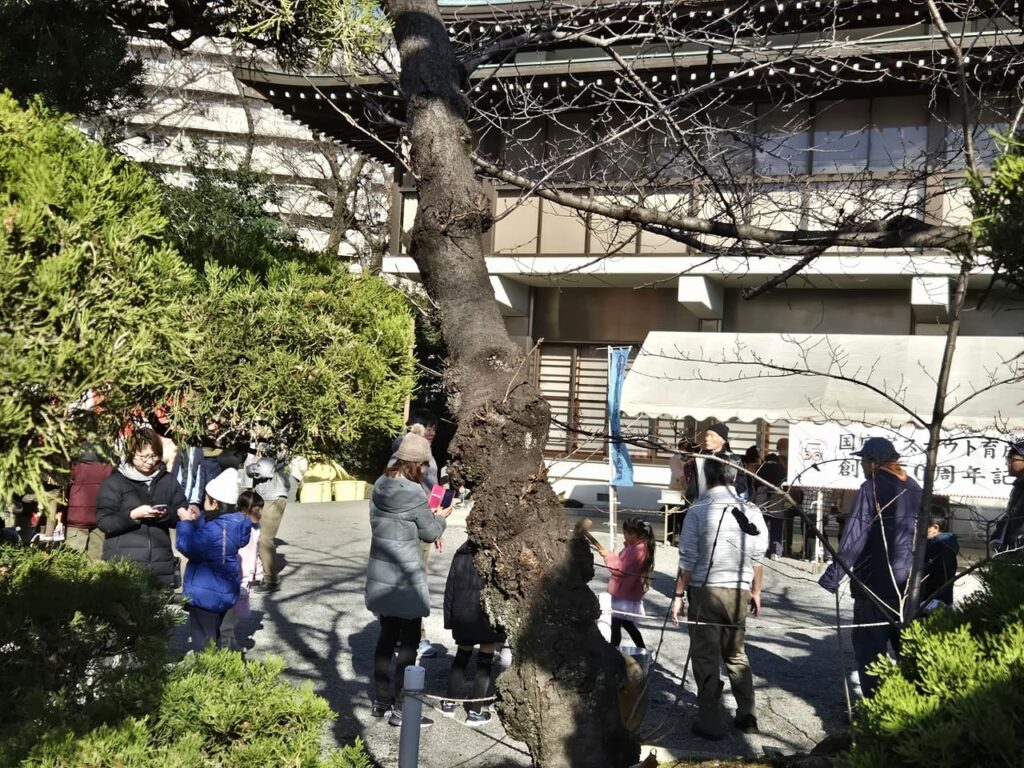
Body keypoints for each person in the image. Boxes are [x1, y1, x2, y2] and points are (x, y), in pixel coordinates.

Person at [670, 459, 768, 740]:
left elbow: (687, 559)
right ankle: (747, 715)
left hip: (706, 590)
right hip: (738, 591)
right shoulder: (751, 510)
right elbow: (758, 557)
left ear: (706, 477)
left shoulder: (699, 510)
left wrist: (678, 595)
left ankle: (710, 720)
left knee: (705, 657)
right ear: (733, 478)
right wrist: (756, 591)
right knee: (736, 654)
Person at [818, 437, 920, 699]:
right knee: (908, 653)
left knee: (871, 653)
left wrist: (832, 577)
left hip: (873, 584)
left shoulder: (871, 488)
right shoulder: (914, 487)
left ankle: (876, 710)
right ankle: (910, 708)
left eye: (863, 460)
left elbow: (854, 538)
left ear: (874, 462)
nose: (862, 466)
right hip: (908, 586)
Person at [366, 426, 451, 726]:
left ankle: (380, 701)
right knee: (409, 643)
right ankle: (402, 708)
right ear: (416, 464)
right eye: (424, 465)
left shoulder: (379, 485)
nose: (425, 470)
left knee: (386, 637)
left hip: (380, 572)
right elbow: (429, 532)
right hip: (405, 577)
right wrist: (441, 518)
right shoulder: (414, 494)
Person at [96, 428, 187, 587]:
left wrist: (166, 514)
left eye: (155, 456)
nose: (150, 461)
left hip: (160, 565)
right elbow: (104, 521)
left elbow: (182, 512)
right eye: (144, 456)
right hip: (123, 565)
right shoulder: (115, 482)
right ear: (131, 453)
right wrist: (132, 515)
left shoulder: (168, 480)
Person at [175, 470, 252, 652]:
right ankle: (219, 664)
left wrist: (185, 522)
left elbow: (187, 546)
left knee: (204, 643)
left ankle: (209, 669)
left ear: (215, 503)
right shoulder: (235, 523)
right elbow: (213, 540)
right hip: (224, 590)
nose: (203, 502)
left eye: (206, 499)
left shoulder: (215, 528)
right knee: (213, 635)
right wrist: (198, 519)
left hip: (205, 593)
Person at [389, 408, 443, 658]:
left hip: (414, 526)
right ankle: (415, 638)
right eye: (427, 427)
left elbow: (434, 493)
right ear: (415, 428)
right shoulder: (411, 458)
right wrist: (435, 522)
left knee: (404, 580)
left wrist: (437, 525)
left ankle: (397, 635)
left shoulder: (412, 456)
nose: (431, 432)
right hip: (414, 527)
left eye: (434, 428)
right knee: (415, 582)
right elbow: (423, 497)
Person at [441, 539, 507, 726]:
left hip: (463, 615)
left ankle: (449, 703)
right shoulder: (498, 553)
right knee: (484, 662)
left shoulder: (461, 553)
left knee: (461, 657)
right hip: (487, 616)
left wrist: (449, 620)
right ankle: (475, 712)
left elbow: (450, 589)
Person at [597, 517, 656, 650]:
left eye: (630, 533)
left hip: (625, 596)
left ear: (641, 535)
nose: (626, 536)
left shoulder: (638, 550)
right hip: (625, 593)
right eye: (625, 532)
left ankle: (613, 652)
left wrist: (608, 556)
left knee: (616, 625)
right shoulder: (634, 547)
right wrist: (611, 554)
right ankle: (642, 650)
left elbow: (621, 569)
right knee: (626, 625)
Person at [221, 490, 264, 650]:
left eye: (261, 509)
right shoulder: (235, 526)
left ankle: (231, 641)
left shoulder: (256, 528)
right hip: (235, 575)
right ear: (245, 509)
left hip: (247, 577)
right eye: (257, 509)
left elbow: (256, 552)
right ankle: (224, 649)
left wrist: (258, 572)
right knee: (229, 614)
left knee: (236, 614)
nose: (260, 513)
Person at [247, 450, 294, 593]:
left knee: (265, 539)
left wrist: (253, 466)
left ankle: (271, 579)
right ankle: (262, 575)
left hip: (274, 496)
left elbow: (265, 470)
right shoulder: (254, 445)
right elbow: (249, 470)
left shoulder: (276, 446)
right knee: (257, 537)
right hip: (264, 495)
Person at [64, 445, 113, 561]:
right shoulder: (110, 465)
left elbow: (66, 481)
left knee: (71, 559)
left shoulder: (74, 464)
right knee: (96, 560)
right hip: (101, 515)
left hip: (77, 516)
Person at [991, 441, 1024, 554]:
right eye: (1007, 459)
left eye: (1012, 460)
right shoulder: (1017, 487)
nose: (1007, 463)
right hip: (1013, 549)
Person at [922, 515, 959, 609]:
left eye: (923, 526)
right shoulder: (947, 547)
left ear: (935, 527)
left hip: (933, 601)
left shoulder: (938, 547)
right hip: (941, 600)